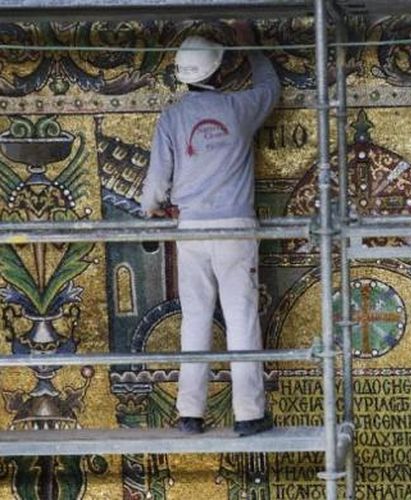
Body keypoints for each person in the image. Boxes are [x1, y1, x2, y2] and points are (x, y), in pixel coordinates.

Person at [140, 22, 280, 436]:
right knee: (241, 318)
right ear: (218, 72)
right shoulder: (239, 109)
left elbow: (153, 189)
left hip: (192, 231)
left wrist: (154, 209)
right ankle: (250, 415)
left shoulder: (171, 117)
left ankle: (190, 414)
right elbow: (272, 88)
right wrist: (251, 47)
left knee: (195, 319)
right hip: (236, 228)